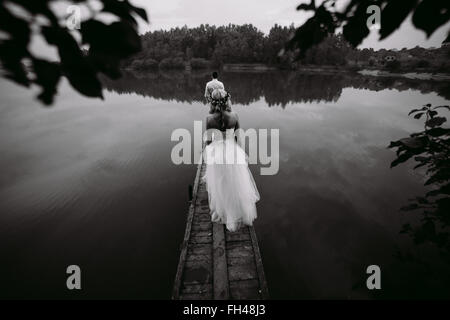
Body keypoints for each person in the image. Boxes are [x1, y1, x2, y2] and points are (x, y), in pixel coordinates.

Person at [203, 88, 260, 232]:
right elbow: (238, 137)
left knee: (220, 183)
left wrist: (209, 149)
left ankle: (224, 211)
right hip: (232, 151)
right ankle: (238, 210)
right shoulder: (235, 115)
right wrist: (240, 153)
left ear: (212, 102)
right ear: (227, 100)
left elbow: (208, 141)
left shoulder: (209, 119)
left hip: (217, 153)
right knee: (235, 182)